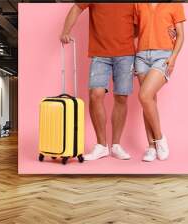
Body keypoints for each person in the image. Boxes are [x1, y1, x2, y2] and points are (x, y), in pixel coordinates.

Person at [60, 3, 136, 160]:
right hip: (100, 54)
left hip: (126, 54)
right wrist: (66, 31)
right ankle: (101, 146)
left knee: (121, 96)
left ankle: (116, 145)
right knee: (95, 94)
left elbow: (140, 24)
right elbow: (76, 8)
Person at [134, 3, 185, 162]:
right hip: (141, 56)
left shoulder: (175, 5)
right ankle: (151, 147)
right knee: (148, 101)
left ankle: (160, 138)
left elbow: (181, 35)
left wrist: (173, 58)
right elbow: (134, 32)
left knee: (144, 95)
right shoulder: (138, 4)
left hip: (163, 55)